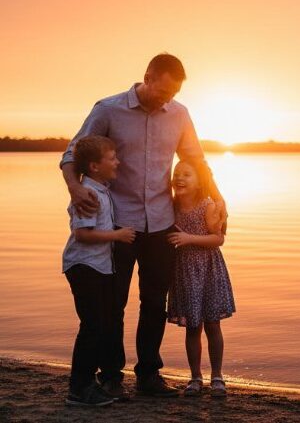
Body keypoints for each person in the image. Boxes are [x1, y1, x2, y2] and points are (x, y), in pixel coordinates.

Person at [60, 53, 226, 399]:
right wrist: (76, 188)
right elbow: (71, 155)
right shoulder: (108, 109)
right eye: (163, 92)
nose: (168, 100)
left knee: (154, 304)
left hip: (162, 224)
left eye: (173, 94)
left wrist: (218, 197)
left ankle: (149, 375)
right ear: (148, 77)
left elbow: (196, 159)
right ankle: (111, 376)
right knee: (113, 304)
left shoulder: (179, 114)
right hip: (120, 223)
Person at [61, 135, 136, 407]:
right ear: (94, 166)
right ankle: (79, 389)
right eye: (112, 158)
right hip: (84, 266)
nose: (118, 162)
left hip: (100, 266)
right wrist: (117, 236)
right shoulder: (89, 194)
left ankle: (90, 383)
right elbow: (82, 234)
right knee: (92, 326)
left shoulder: (102, 189)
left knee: (102, 325)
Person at [166, 159, 236, 398]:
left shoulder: (206, 205)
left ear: (199, 182)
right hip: (185, 271)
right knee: (192, 327)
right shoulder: (171, 206)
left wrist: (189, 238)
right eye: (177, 173)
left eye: (187, 174)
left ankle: (217, 376)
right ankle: (195, 377)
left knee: (212, 324)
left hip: (208, 269)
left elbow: (218, 239)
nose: (180, 178)